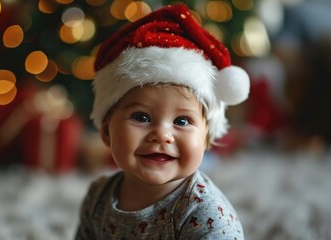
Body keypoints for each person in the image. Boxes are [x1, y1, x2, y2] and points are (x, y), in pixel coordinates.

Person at [75, 4, 249, 239]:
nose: (162, 134)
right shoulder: (98, 197)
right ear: (106, 132)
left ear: (207, 138)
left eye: (182, 121)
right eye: (141, 117)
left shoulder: (206, 216)